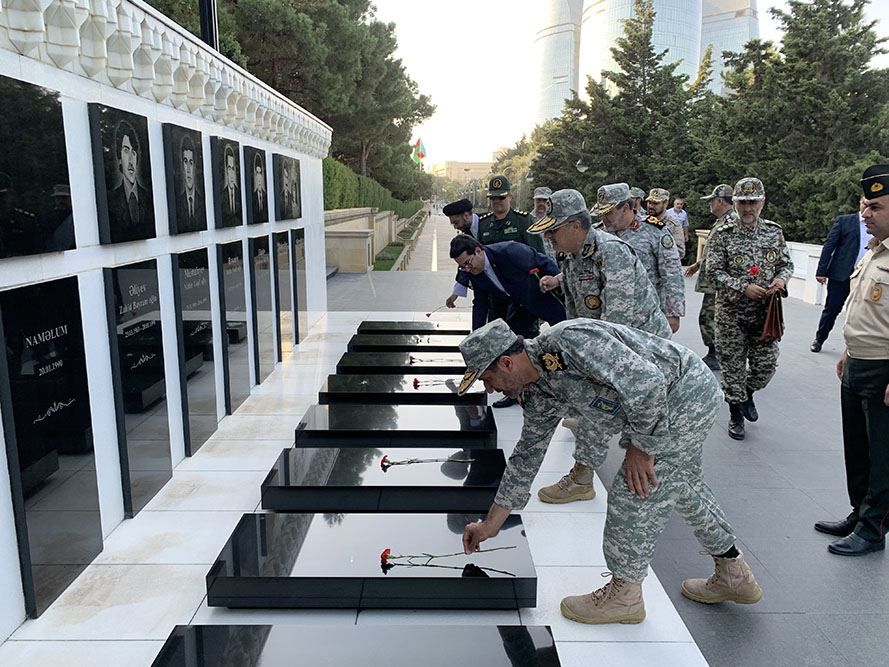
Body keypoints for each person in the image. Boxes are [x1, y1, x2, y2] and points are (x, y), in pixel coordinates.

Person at [458, 318, 762, 625]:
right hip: (661, 406)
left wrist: (642, 448)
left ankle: (625, 597)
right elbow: (527, 456)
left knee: (635, 490)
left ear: (507, 363)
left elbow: (648, 382)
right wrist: (491, 523)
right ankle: (733, 573)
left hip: (682, 394)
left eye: (487, 378)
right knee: (683, 484)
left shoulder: (570, 341)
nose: (490, 389)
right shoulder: (538, 390)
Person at [527, 188, 670, 505]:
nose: (549, 237)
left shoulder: (612, 252)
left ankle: (583, 478)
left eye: (553, 230)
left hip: (642, 346)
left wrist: (585, 366)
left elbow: (614, 330)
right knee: (592, 400)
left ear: (575, 227)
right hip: (608, 338)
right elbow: (580, 298)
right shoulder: (572, 255)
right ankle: (599, 471)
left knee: (596, 396)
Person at [816, 165, 889, 557]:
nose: (865, 214)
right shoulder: (875, 252)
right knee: (857, 448)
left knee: (882, 453)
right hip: (858, 362)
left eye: (874, 207)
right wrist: (847, 349)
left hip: (884, 367)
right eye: (863, 206)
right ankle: (858, 512)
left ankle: (873, 528)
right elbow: (867, 311)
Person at [705, 177, 794, 440]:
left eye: (752, 202)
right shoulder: (722, 234)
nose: (747, 208)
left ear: (762, 203)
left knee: (765, 367)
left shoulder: (773, 232)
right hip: (731, 314)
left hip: (765, 315)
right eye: (742, 202)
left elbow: (786, 265)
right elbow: (713, 272)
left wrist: (781, 280)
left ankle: (747, 394)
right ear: (734, 203)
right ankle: (735, 415)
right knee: (732, 366)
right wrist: (742, 287)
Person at [596, 183, 685, 333]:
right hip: (607, 316)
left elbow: (672, 273)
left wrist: (673, 313)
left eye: (608, 213)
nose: (604, 218)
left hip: (647, 317)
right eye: (601, 213)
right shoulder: (598, 233)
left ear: (624, 208)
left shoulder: (655, 231)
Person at [448, 234, 565, 335]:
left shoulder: (509, 251)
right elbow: (480, 303)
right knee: (514, 343)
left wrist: (560, 285)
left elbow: (544, 263)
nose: (467, 269)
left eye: (468, 263)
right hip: (519, 306)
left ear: (478, 251)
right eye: (462, 267)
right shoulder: (473, 272)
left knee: (564, 331)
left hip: (544, 296)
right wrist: (476, 334)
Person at [684, 184, 738, 370]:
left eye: (712, 200)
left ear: (720, 201)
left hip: (720, 283)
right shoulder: (724, 221)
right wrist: (698, 264)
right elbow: (715, 250)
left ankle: (717, 355)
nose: (710, 204)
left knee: (712, 318)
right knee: (710, 317)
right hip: (715, 281)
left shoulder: (731, 222)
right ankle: (717, 353)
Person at [811, 197, 871, 352]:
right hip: (841, 275)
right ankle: (819, 339)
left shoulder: (878, 225)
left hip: (865, 276)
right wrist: (821, 271)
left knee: (861, 313)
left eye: (872, 205)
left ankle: (854, 348)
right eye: (865, 204)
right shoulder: (845, 221)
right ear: (860, 202)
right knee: (832, 309)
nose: (867, 208)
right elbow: (829, 246)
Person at [108, 120, 153, 233]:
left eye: (133, 153)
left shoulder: (148, 198)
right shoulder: (111, 200)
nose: (131, 161)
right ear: (119, 158)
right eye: (126, 151)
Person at [443, 198, 479, 309]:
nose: (455, 227)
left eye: (456, 222)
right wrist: (455, 294)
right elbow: (465, 264)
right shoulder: (466, 234)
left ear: (466, 215)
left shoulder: (489, 225)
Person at [174, 134, 205, 232]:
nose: (188, 169)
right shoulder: (178, 203)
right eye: (185, 162)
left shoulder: (202, 202)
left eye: (191, 163)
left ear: (195, 166)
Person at [647, 188, 686, 261]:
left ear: (665, 204)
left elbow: (680, 252)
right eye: (649, 202)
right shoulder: (642, 222)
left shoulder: (674, 225)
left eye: (655, 203)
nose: (651, 206)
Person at [220, 144, 241, 227]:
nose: (232, 173)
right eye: (229, 168)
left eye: (233, 168)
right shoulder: (222, 195)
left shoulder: (239, 194)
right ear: (225, 171)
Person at [252, 152, 268, 222]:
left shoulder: (266, 197)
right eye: (257, 173)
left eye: (260, 173)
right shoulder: (253, 197)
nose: (259, 178)